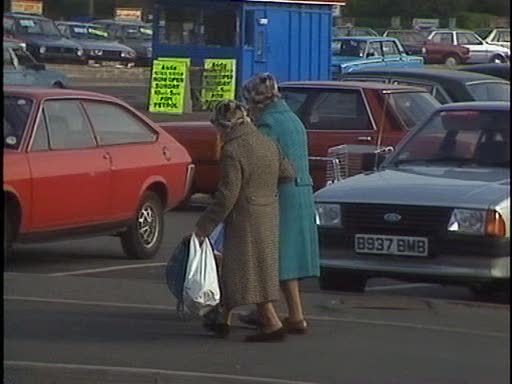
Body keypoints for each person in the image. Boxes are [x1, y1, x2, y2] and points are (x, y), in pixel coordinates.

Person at [194, 100, 295, 342]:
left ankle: (271, 324)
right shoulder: (267, 142)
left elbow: (228, 195)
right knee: (254, 268)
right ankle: (223, 319)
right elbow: (288, 173)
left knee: (246, 270)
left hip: (244, 218)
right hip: (268, 212)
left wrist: (204, 226)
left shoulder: (233, 151)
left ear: (225, 126)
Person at [241, 72, 320, 334]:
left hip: (279, 195)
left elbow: (261, 163)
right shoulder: (293, 120)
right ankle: (296, 316)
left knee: (263, 256)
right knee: (288, 259)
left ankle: (268, 315)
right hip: (302, 192)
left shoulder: (269, 124)